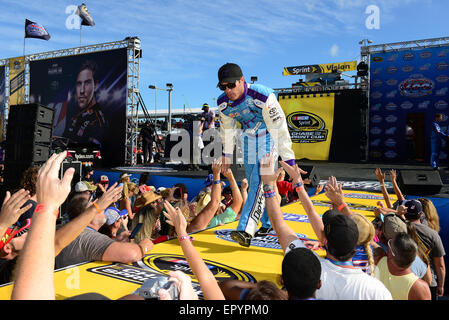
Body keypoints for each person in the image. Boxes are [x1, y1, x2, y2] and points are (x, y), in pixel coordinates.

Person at [262, 154, 392, 300]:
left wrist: (268, 184)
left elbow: (280, 225)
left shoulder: (310, 268)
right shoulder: (377, 288)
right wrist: (341, 204)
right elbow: (309, 214)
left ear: (324, 241)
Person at [217, 62, 296, 247]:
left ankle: (246, 229)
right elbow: (227, 131)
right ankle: (269, 223)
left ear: (242, 80)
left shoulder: (262, 95)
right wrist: (226, 155)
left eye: (231, 85)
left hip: (269, 138)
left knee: (258, 181)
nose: (227, 90)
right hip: (248, 141)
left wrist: (288, 160)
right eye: (223, 86)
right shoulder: (223, 103)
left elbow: (280, 128)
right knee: (258, 182)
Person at [399, 199, 446, 299]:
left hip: (404, 280)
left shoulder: (399, 229)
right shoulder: (432, 234)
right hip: (428, 282)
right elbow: (440, 265)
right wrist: (441, 285)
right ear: (421, 214)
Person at [374, 232, 431, 300]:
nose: (387, 245)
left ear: (391, 254)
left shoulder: (378, 260)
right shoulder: (419, 287)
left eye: (389, 243)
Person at [63, 60, 107, 147]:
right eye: (79, 84)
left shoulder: (98, 120)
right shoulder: (74, 117)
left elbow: (94, 151)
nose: (82, 90)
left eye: (87, 83)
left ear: (96, 85)